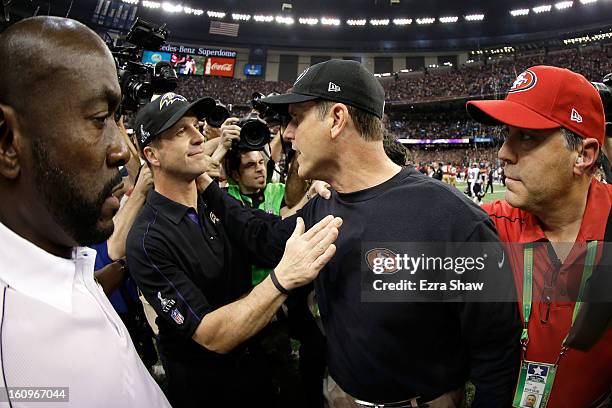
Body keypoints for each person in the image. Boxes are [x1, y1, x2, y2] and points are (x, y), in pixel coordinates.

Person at [197, 59, 521, 407]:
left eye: (296, 118)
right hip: (339, 396)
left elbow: (496, 352)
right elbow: (263, 237)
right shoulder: (323, 205)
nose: (288, 134)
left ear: (337, 120)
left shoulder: (454, 219)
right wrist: (206, 185)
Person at [125, 92, 341, 407]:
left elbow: (268, 236)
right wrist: (283, 278)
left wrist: (321, 203)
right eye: (181, 132)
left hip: (255, 371)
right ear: (152, 155)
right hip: (206, 389)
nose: (199, 137)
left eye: (196, 126)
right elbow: (212, 334)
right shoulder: (147, 240)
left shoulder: (217, 204)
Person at [0, 16, 171, 407]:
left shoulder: (60, 251)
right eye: (99, 120)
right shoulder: (17, 365)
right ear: (8, 141)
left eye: (117, 120)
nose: (122, 150)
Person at [467, 65, 612, 408]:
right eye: (506, 135)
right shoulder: (487, 226)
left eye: (527, 136)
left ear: (584, 155)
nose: (503, 153)